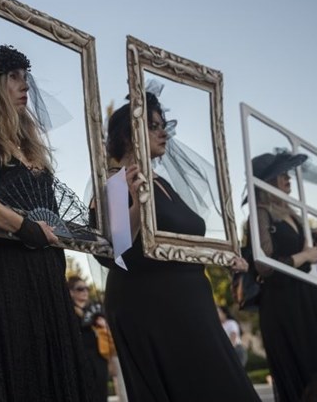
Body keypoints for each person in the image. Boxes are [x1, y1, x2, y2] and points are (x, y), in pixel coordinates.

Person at [0, 45, 91, 401]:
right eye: (13, 77)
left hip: (46, 276)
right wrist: (23, 227)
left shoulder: (30, 147)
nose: (24, 85)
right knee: (21, 370)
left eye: (26, 77)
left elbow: (52, 217)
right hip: (5, 274)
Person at [102, 91, 259, 401]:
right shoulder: (117, 181)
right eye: (153, 125)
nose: (164, 132)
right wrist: (134, 204)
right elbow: (114, 249)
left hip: (190, 303)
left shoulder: (163, 183)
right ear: (128, 134)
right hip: (151, 305)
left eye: (164, 124)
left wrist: (222, 256)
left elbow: (184, 241)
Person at [250, 151, 317, 401]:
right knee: (305, 370)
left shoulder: (292, 212)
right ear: (268, 181)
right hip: (283, 300)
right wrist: (305, 256)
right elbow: (264, 265)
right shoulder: (260, 213)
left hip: (306, 295)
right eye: (282, 174)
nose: (288, 178)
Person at [68, 276, 109, 402]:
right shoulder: (68, 313)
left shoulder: (95, 310)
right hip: (79, 358)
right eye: (80, 289)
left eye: (87, 288)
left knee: (101, 391)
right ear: (71, 292)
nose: (85, 291)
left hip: (99, 356)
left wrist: (103, 324)